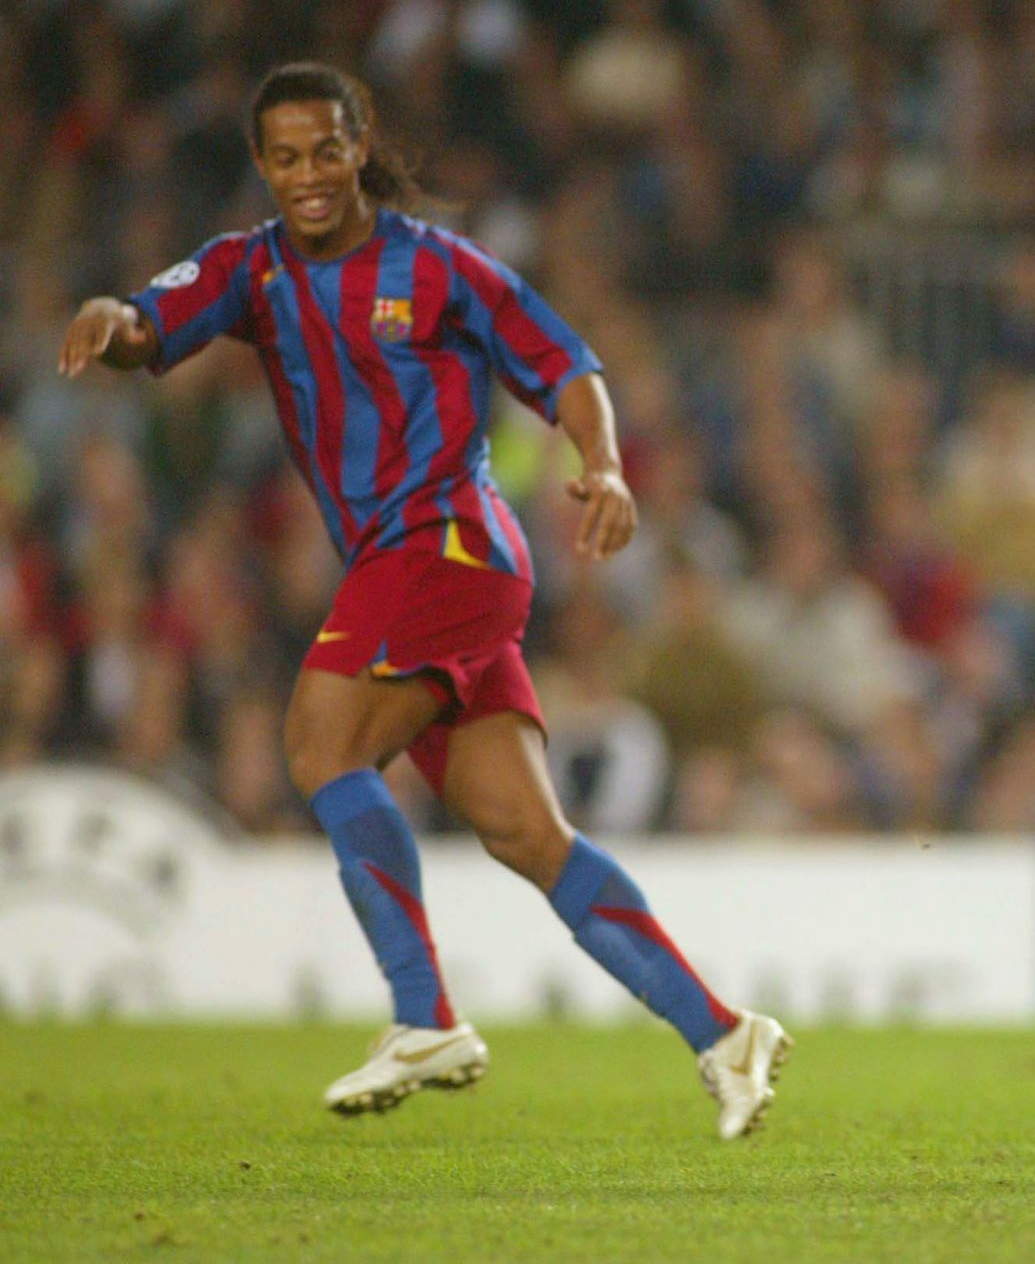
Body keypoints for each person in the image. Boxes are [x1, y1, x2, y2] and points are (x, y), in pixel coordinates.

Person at [58, 63, 790, 1139]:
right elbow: (148, 323)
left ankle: (423, 1014)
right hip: (426, 573)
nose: (307, 175)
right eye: (285, 157)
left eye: (325, 150)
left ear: (360, 147)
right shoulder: (248, 271)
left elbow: (565, 361)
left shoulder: (435, 265)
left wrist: (608, 461)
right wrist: (105, 312)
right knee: (527, 832)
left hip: (446, 540)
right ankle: (724, 1031)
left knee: (319, 741)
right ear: (263, 165)